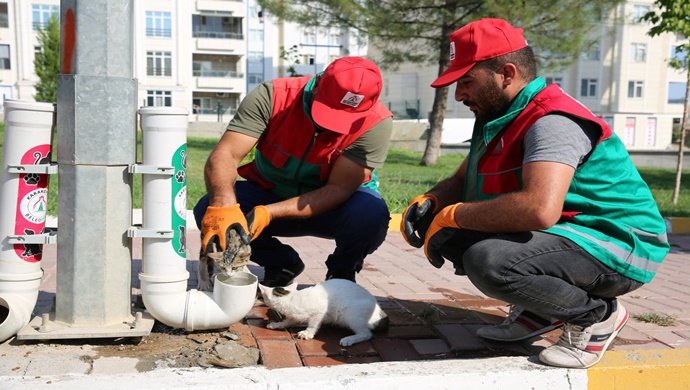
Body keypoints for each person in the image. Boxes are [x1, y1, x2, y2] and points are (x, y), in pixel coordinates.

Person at [401, 18, 669, 369]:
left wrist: (455, 215)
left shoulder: (550, 120)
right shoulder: (501, 115)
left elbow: (539, 210)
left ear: (506, 73)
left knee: (489, 260)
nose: (460, 94)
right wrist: (433, 201)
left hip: (619, 242)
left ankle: (596, 316)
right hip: (573, 233)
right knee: (455, 237)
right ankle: (542, 312)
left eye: (467, 81)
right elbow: (464, 176)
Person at [195, 56, 393, 288]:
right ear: (318, 82)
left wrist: (268, 213)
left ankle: (341, 275)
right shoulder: (273, 96)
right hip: (271, 191)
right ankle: (282, 263)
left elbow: (339, 188)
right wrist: (224, 205)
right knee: (207, 207)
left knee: (371, 215)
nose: (331, 126)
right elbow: (226, 154)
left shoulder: (376, 122)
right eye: (329, 111)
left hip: (335, 205)